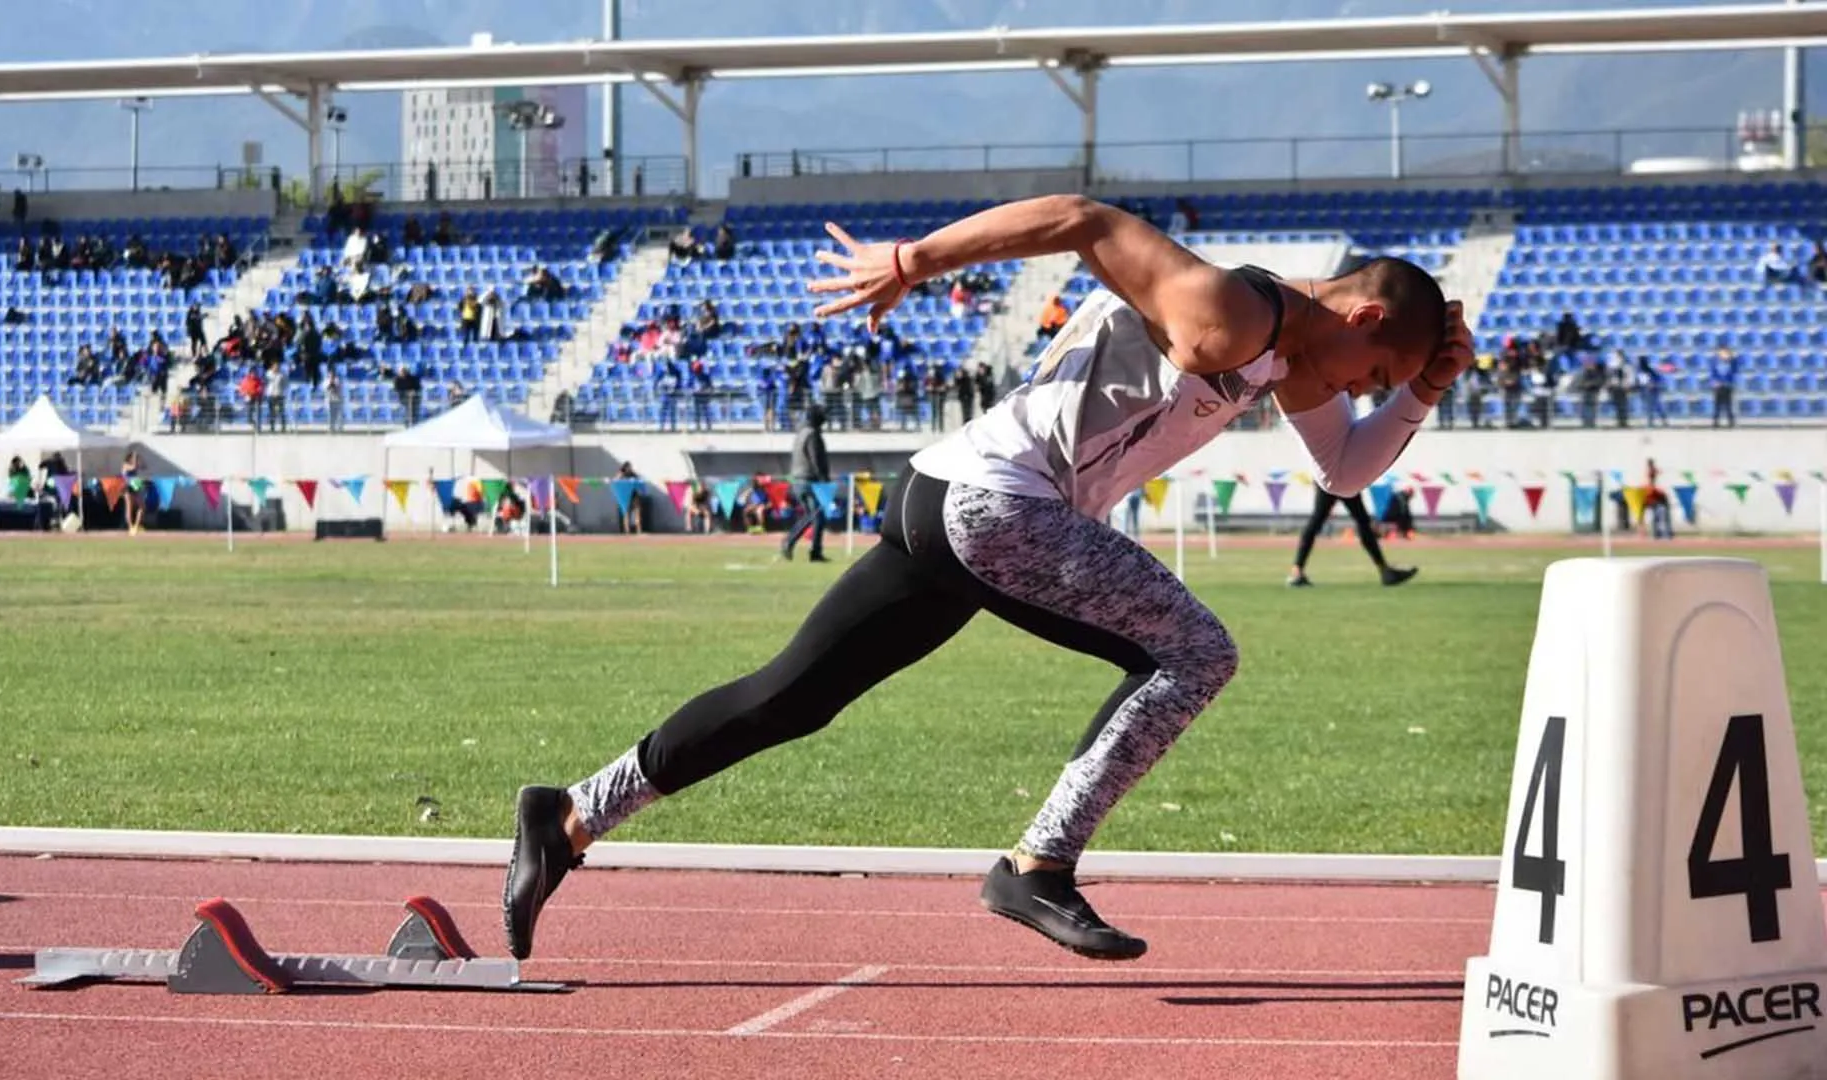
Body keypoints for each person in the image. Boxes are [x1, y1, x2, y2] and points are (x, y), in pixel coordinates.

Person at [503, 194, 1471, 964]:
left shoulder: (1290, 353)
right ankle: (1039, 865)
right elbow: (1083, 219)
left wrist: (1423, 391)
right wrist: (910, 261)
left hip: (944, 495)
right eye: (1376, 375)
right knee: (1196, 653)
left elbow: (1345, 469)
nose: (1360, 394)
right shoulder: (1232, 310)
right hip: (999, 505)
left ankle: (571, 814)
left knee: (791, 697)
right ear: (1363, 316)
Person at [1286, 489, 1417, 587]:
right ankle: (1385, 571)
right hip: (1343, 478)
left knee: (1317, 520)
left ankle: (1297, 571)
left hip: (1330, 476)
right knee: (1362, 522)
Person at [780, 404, 832, 562]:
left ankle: (815, 552)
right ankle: (790, 540)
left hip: (799, 480)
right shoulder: (812, 435)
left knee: (816, 516)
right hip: (808, 481)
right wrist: (824, 479)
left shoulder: (801, 433)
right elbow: (816, 459)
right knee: (814, 515)